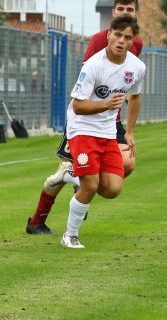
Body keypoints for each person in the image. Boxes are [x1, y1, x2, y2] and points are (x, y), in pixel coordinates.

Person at [26, 0, 143, 235]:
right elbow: (87, 84)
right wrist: (100, 107)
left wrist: (130, 130)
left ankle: (83, 186)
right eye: (120, 9)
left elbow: (131, 87)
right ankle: (37, 220)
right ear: (113, 14)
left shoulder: (136, 44)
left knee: (126, 165)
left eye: (129, 10)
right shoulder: (100, 41)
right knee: (67, 171)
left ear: (135, 14)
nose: (124, 14)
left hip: (112, 120)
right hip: (86, 119)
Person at [61, 15, 145, 248]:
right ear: (108, 35)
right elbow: (78, 106)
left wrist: (129, 131)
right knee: (90, 185)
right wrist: (106, 105)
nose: (121, 41)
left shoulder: (137, 67)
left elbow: (136, 96)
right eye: (117, 35)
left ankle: (71, 172)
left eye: (127, 37)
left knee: (112, 189)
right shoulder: (93, 65)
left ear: (132, 41)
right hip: (82, 128)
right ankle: (70, 235)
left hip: (108, 132)